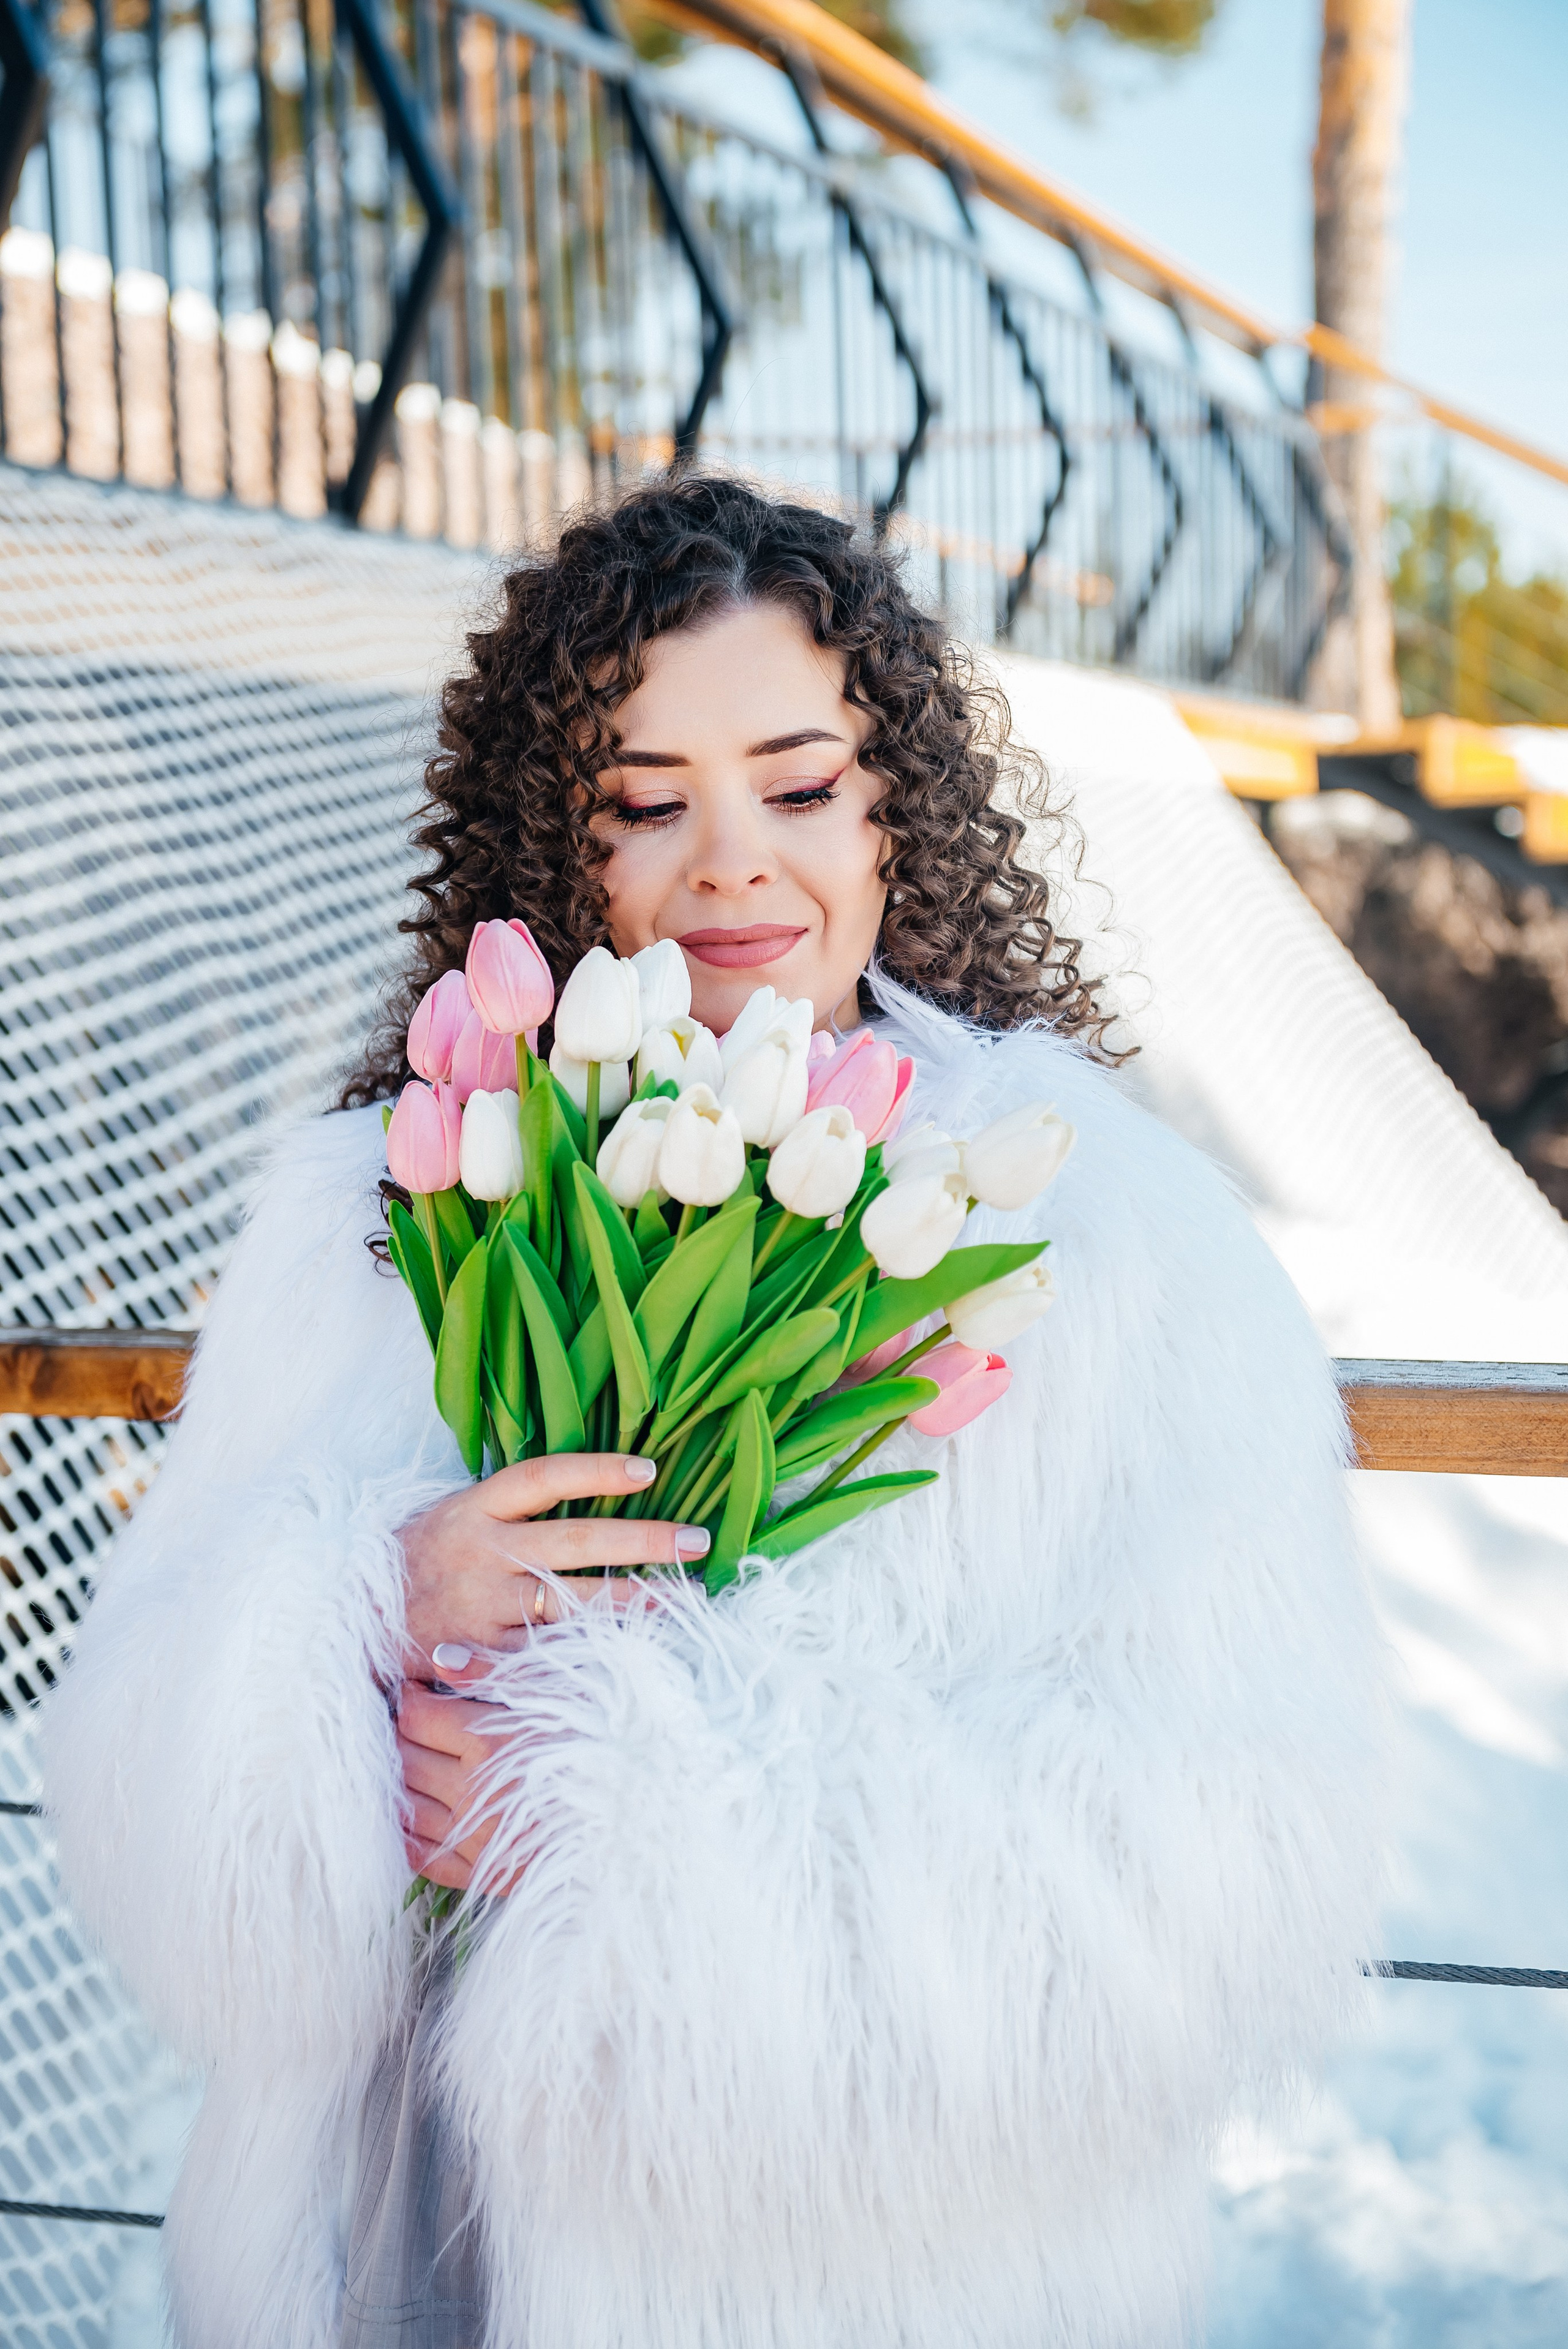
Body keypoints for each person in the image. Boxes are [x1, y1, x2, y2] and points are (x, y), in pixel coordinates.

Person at [45, 476, 1381, 2349]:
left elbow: (1233, 1863)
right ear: (552, 843)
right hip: (392, 2262)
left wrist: (618, 1830)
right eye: (649, 802)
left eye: (801, 782)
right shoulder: (370, 1210)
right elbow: (136, 1786)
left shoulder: (1118, 1245)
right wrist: (363, 1607)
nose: (735, 864)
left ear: (896, 799)